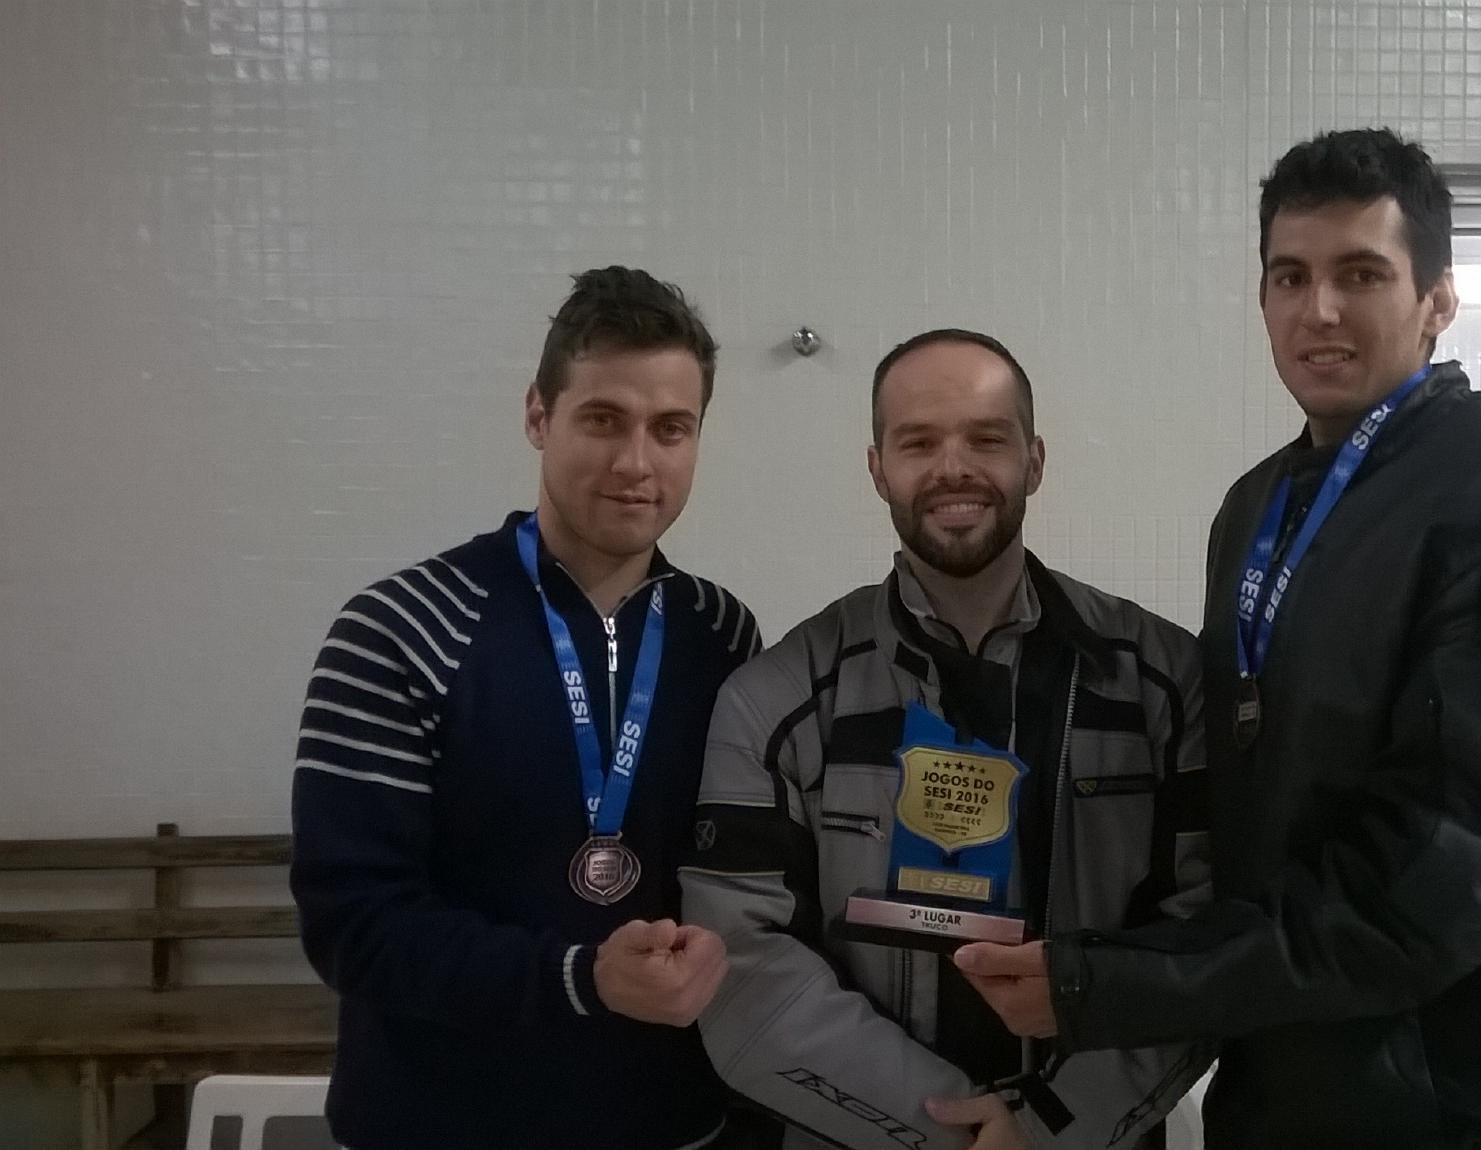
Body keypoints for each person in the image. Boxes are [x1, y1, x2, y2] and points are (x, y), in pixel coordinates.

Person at [954, 129, 1481, 1148]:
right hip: (1271, 1090)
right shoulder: (1257, 507)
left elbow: (1441, 888)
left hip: (1447, 1116)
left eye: (1360, 274)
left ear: (1437, 300)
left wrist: (1114, 982)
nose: (1317, 310)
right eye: (1290, 276)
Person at [678, 329, 1211, 1149]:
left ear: (1034, 460)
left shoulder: (1164, 682)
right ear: (878, 469)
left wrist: (1050, 1126)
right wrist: (956, 1135)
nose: (953, 468)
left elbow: (1209, 935)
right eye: (919, 443)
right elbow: (741, 968)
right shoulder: (777, 697)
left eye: (986, 439)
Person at [290, 266, 763, 1150]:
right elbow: (353, 924)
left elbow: (739, 880)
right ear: (538, 416)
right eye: (603, 419)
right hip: (439, 1125)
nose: (636, 463)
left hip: (669, 1124)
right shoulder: (400, 629)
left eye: (671, 428)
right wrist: (580, 976)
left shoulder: (721, 633)